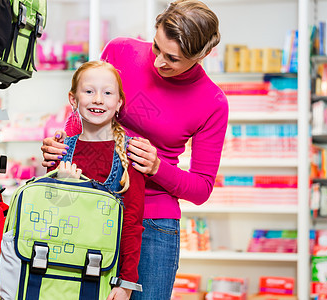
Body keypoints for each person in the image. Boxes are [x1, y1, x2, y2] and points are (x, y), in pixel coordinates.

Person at [41, 1, 228, 299]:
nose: (158, 63)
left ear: (203, 55)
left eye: (173, 58)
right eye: (156, 48)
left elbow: (201, 188)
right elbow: (85, 111)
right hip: (91, 204)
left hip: (153, 221)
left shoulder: (212, 103)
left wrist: (158, 167)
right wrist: (62, 147)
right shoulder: (121, 51)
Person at [47, 60, 145, 300]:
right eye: (89, 91)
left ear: (119, 102)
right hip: (60, 268)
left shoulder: (131, 154)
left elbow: (132, 223)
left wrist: (127, 283)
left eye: (108, 93)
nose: (98, 99)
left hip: (105, 272)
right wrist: (62, 186)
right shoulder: (60, 151)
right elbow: (48, 216)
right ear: (73, 99)